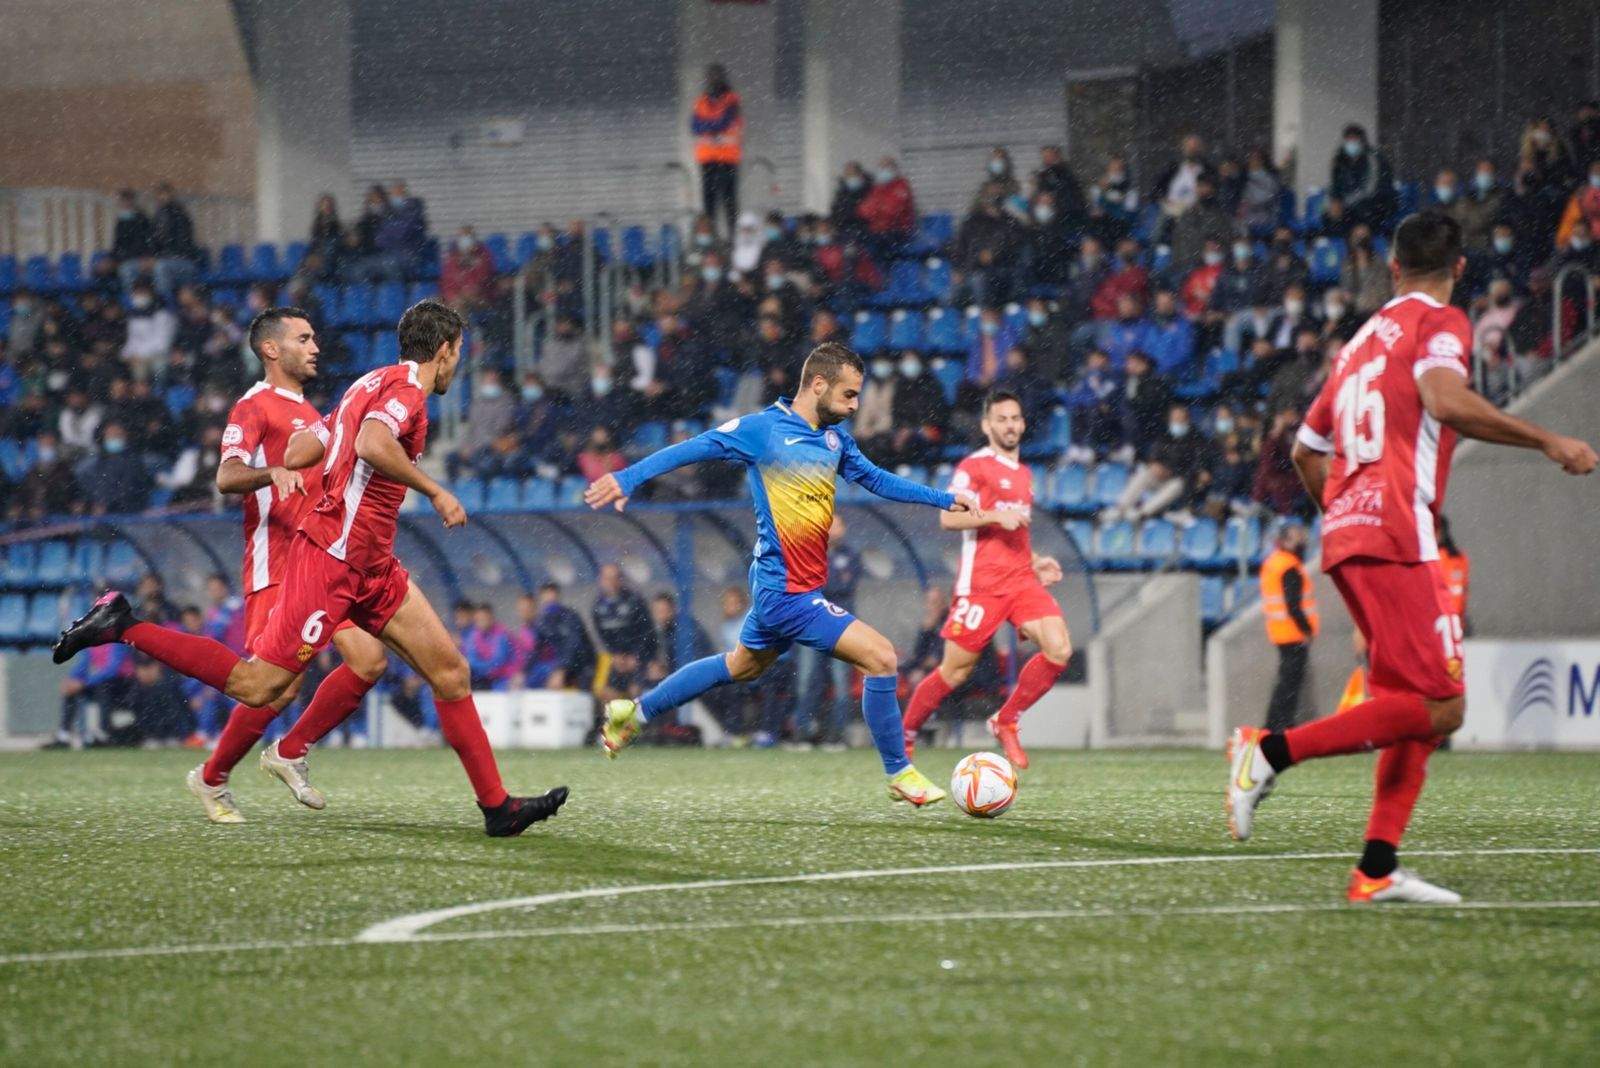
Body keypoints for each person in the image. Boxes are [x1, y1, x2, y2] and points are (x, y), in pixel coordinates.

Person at [54, 300, 569, 837]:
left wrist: (308, 461)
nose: (458, 363)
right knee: (259, 687)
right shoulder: (407, 394)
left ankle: (497, 807)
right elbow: (372, 442)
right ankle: (124, 626)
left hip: (374, 566)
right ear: (444, 351)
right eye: (458, 353)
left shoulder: (366, 383)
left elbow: (308, 442)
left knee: (449, 673)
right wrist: (435, 489)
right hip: (331, 562)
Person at [1227, 210, 1597, 903]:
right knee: (1445, 707)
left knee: (1410, 708)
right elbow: (1443, 399)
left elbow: (1307, 451)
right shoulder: (1439, 323)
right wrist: (1547, 439)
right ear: (1459, 270)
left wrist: (1341, 515)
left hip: (1351, 534)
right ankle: (1269, 751)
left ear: (1392, 268)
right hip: (1399, 534)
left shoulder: (1361, 341)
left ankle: (1375, 867)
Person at [584, 342, 974, 806]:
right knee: (883, 658)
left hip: (792, 588)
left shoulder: (835, 440)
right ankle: (900, 772)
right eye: (849, 396)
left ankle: (636, 712)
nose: (853, 407)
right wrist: (628, 478)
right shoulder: (762, 429)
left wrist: (943, 498)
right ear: (818, 384)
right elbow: (693, 448)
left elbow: (878, 480)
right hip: (784, 592)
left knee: (740, 665)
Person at [174, 306, 393, 822]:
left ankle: (289, 751)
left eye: (315, 337)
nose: (315, 346)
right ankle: (211, 777)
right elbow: (227, 477)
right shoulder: (254, 407)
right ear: (271, 349)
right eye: (304, 337)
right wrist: (272, 473)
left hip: (322, 562)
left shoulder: (311, 414)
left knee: (369, 662)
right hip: (276, 565)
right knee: (275, 683)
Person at [899, 391, 1071, 770]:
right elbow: (948, 518)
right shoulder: (973, 467)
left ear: (1022, 424)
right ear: (986, 425)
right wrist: (993, 516)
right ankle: (905, 736)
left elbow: (1016, 533)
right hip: (982, 584)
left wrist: (1037, 561)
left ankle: (1006, 719)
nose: (1010, 425)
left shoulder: (1025, 474)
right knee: (955, 671)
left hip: (1022, 580)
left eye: (1015, 418)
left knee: (1058, 650)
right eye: (1001, 419)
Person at [1259, 522, 1319, 732]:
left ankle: (1276, 723)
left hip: (1280, 632)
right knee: (1289, 684)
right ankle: (1280, 724)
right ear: (1284, 540)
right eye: (1296, 537)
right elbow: (1293, 605)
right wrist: (1307, 630)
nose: (1302, 541)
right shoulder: (1289, 566)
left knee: (1285, 682)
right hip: (1293, 633)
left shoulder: (1275, 562)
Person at [691, 64, 743, 236]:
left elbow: (725, 122)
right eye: (710, 77)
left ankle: (732, 237)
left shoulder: (731, 100)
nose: (713, 80)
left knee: (729, 202)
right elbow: (695, 127)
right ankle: (711, 238)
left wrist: (708, 125)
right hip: (707, 160)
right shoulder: (700, 101)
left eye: (716, 76)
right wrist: (712, 126)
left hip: (727, 159)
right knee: (709, 204)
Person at [1328, 124, 1396, 233]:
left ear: (1362, 141)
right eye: (1348, 140)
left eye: (1354, 140)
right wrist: (1335, 201)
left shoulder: (1374, 159)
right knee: (1328, 216)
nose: (1351, 144)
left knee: (1362, 213)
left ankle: (1362, 242)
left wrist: (1344, 203)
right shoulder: (1339, 160)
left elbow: (1370, 190)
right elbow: (1335, 186)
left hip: (1378, 203)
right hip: (1351, 208)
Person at [592, 563, 658, 668]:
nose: (611, 582)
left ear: (621, 579)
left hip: (640, 658)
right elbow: (602, 634)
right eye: (607, 578)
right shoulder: (598, 605)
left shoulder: (634, 601)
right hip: (616, 659)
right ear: (601, 580)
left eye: (615, 578)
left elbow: (646, 631)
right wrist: (615, 653)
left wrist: (636, 655)